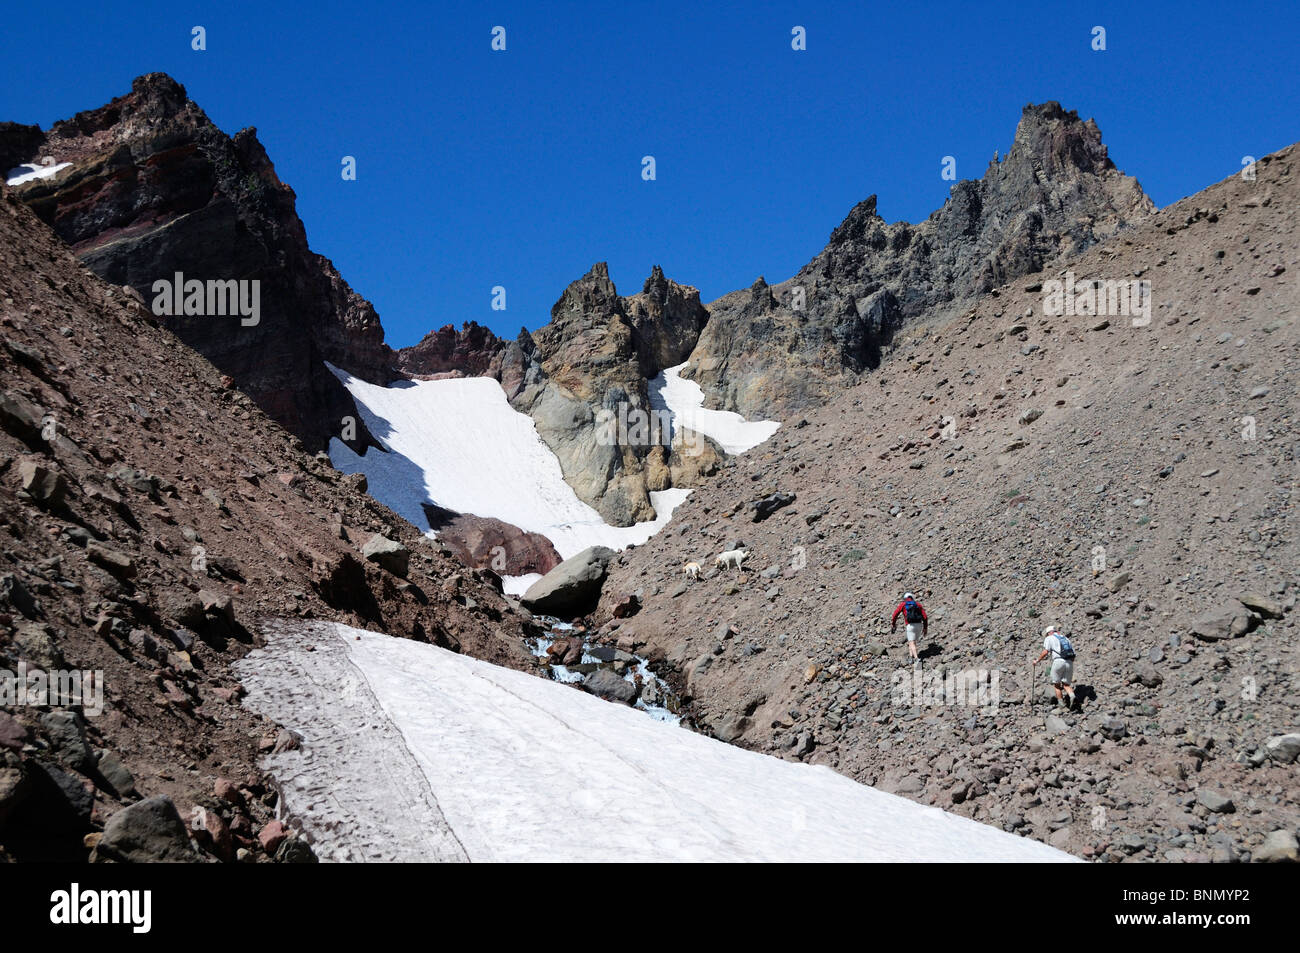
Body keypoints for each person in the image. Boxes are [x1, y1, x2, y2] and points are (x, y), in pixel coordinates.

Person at [1034, 624, 1077, 709]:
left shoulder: (1049, 638)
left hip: (1058, 662)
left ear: (1049, 633)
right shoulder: (1066, 639)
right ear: (1056, 631)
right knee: (1066, 684)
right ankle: (1072, 695)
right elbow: (1073, 655)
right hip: (1069, 662)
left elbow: (1046, 652)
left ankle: (1061, 704)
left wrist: (1037, 660)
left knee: (1057, 685)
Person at [890, 591, 927, 662]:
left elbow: (895, 614)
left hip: (910, 625)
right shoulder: (918, 604)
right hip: (919, 625)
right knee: (912, 641)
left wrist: (893, 624)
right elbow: (925, 617)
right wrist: (925, 628)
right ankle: (911, 657)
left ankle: (916, 658)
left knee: (911, 642)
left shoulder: (903, 604)